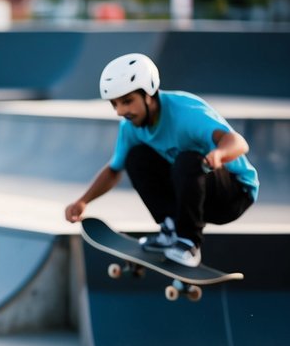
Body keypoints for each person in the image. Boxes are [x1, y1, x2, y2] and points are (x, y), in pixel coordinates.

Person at [65, 53, 258, 268]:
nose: (121, 111)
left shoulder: (186, 112)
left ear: (149, 94)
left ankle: (188, 243)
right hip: (192, 193)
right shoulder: (130, 127)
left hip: (233, 195)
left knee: (188, 160)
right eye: (115, 104)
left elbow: (239, 143)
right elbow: (113, 170)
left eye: (128, 101)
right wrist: (83, 201)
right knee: (135, 157)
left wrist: (219, 154)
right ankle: (171, 228)